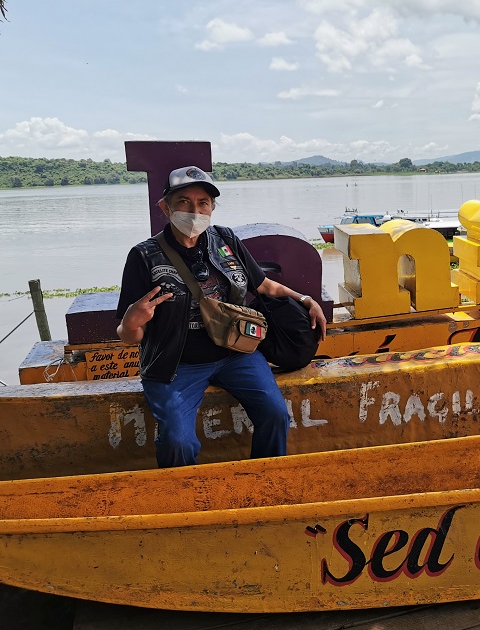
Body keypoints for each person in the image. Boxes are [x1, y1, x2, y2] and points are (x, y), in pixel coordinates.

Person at [116, 165, 327, 468]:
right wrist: (133, 320)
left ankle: (265, 479)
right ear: (165, 207)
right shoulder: (144, 256)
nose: (194, 210)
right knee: (178, 441)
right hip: (177, 363)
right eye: (183, 202)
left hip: (235, 352)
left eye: (203, 203)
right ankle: (186, 499)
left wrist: (305, 299)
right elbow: (128, 335)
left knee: (275, 414)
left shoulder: (225, 240)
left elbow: (263, 284)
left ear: (213, 206)